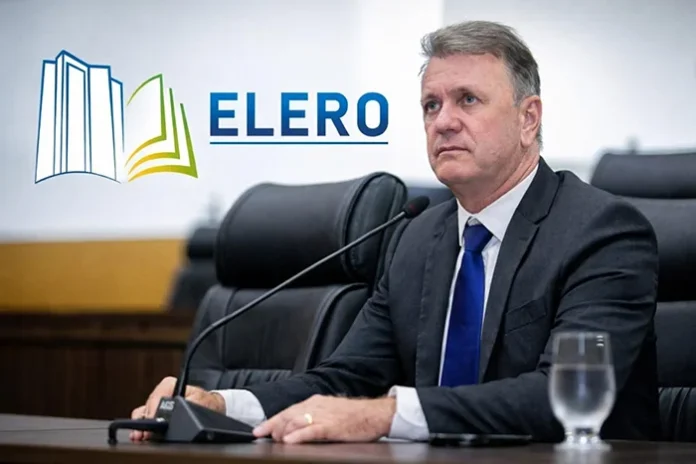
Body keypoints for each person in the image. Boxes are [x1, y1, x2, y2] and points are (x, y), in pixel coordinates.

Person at [131, 20, 661, 444]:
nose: (443, 121)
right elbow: (345, 381)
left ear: (529, 119)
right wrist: (223, 405)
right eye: (432, 105)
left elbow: (560, 398)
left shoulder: (601, 232)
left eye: (467, 100)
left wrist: (385, 414)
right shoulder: (417, 237)